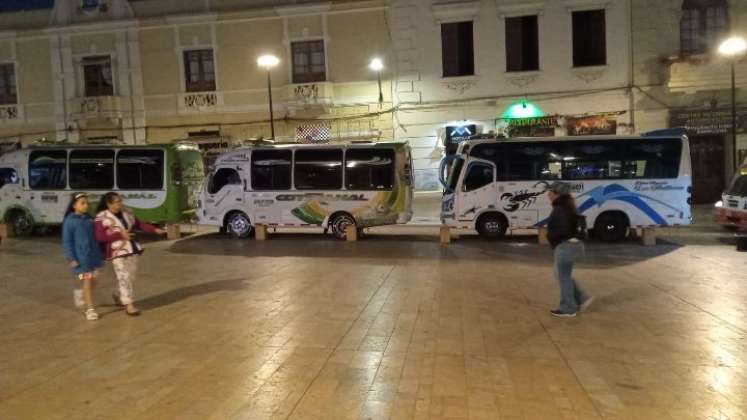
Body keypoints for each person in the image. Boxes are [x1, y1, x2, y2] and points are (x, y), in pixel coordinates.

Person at [95, 192, 166, 316]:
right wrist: (120, 235)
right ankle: (129, 304)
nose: (120, 203)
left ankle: (118, 294)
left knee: (130, 277)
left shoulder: (128, 211)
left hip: (132, 248)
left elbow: (139, 224)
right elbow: (100, 236)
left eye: (120, 201)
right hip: (116, 250)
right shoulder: (102, 217)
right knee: (124, 276)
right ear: (109, 203)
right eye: (117, 201)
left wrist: (154, 229)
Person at [546, 182, 594, 318]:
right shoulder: (567, 206)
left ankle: (568, 308)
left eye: (550, 191)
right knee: (560, 274)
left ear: (557, 194)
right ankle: (581, 298)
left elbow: (563, 230)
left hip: (566, 246)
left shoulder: (560, 209)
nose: (548, 194)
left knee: (563, 277)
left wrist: (552, 238)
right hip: (572, 246)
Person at [62, 193, 104, 321]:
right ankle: (90, 308)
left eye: (87, 203)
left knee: (94, 280)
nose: (86, 205)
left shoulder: (90, 220)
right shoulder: (69, 222)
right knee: (87, 279)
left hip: (94, 257)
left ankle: (80, 293)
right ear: (74, 205)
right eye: (82, 203)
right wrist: (72, 258)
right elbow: (67, 241)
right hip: (81, 259)